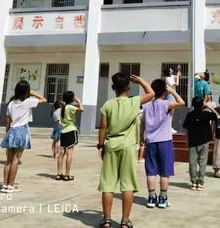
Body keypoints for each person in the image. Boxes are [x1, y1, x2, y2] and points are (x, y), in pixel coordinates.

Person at [97, 73, 154, 228]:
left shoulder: (107, 105)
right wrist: (141, 80)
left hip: (111, 146)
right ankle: (124, 221)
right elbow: (151, 94)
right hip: (128, 147)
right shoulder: (134, 102)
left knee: (108, 185)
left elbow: (103, 127)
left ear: (113, 88)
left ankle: (107, 220)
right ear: (129, 87)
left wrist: (101, 146)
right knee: (127, 184)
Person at [141, 79, 184, 209]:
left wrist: (141, 138)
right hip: (165, 142)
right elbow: (181, 102)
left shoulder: (146, 106)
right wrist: (173, 91)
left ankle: (151, 197)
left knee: (151, 172)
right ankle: (163, 198)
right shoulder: (166, 104)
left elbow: (142, 124)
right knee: (165, 172)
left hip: (151, 142)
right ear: (164, 92)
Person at [0, 80, 47, 193]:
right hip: (22, 130)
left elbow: (8, 122)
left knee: (8, 160)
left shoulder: (11, 103)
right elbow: (44, 100)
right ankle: (11, 185)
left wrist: (7, 134)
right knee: (16, 159)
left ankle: (5, 184)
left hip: (11, 130)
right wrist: (33, 92)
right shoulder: (28, 101)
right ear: (27, 91)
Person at [182, 96, 219, 191]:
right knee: (203, 163)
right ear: (202, 104)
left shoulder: (189, 115)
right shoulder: (206, 114)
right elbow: (217, 115)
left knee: (192, 162)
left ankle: (194, 182)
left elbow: (186, 129)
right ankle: (200, 183)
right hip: (204, 141)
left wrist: (186, 141)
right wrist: (208, 106)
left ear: (193, 104)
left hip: (193, 141)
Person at [56, 91, 83, 181]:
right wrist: (78, 101)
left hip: (63, 131)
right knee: (69, 153)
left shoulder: (63, 108)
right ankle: (67, 174)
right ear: (71, 99)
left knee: (61, 153)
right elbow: (82, 109)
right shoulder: (71, 107)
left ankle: (59, 174)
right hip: (71, 130)